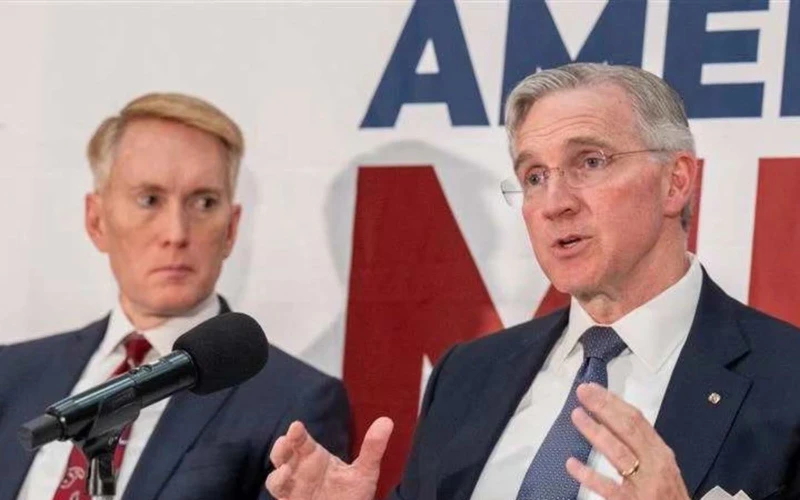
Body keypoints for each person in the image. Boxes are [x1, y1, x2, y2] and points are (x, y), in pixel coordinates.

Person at [264, 63, 800, 500]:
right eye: (534, 176)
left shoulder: (787, 381)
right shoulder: (467, 376)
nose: (554, 203)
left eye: (590, 162)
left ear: (675, 182)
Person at [0, 93, 350, 500]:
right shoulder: (12, 373)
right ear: (96, 220)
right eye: (149, 200)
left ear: (231, 229)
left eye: (204, 202)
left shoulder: (294, 401)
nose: (177, 233)